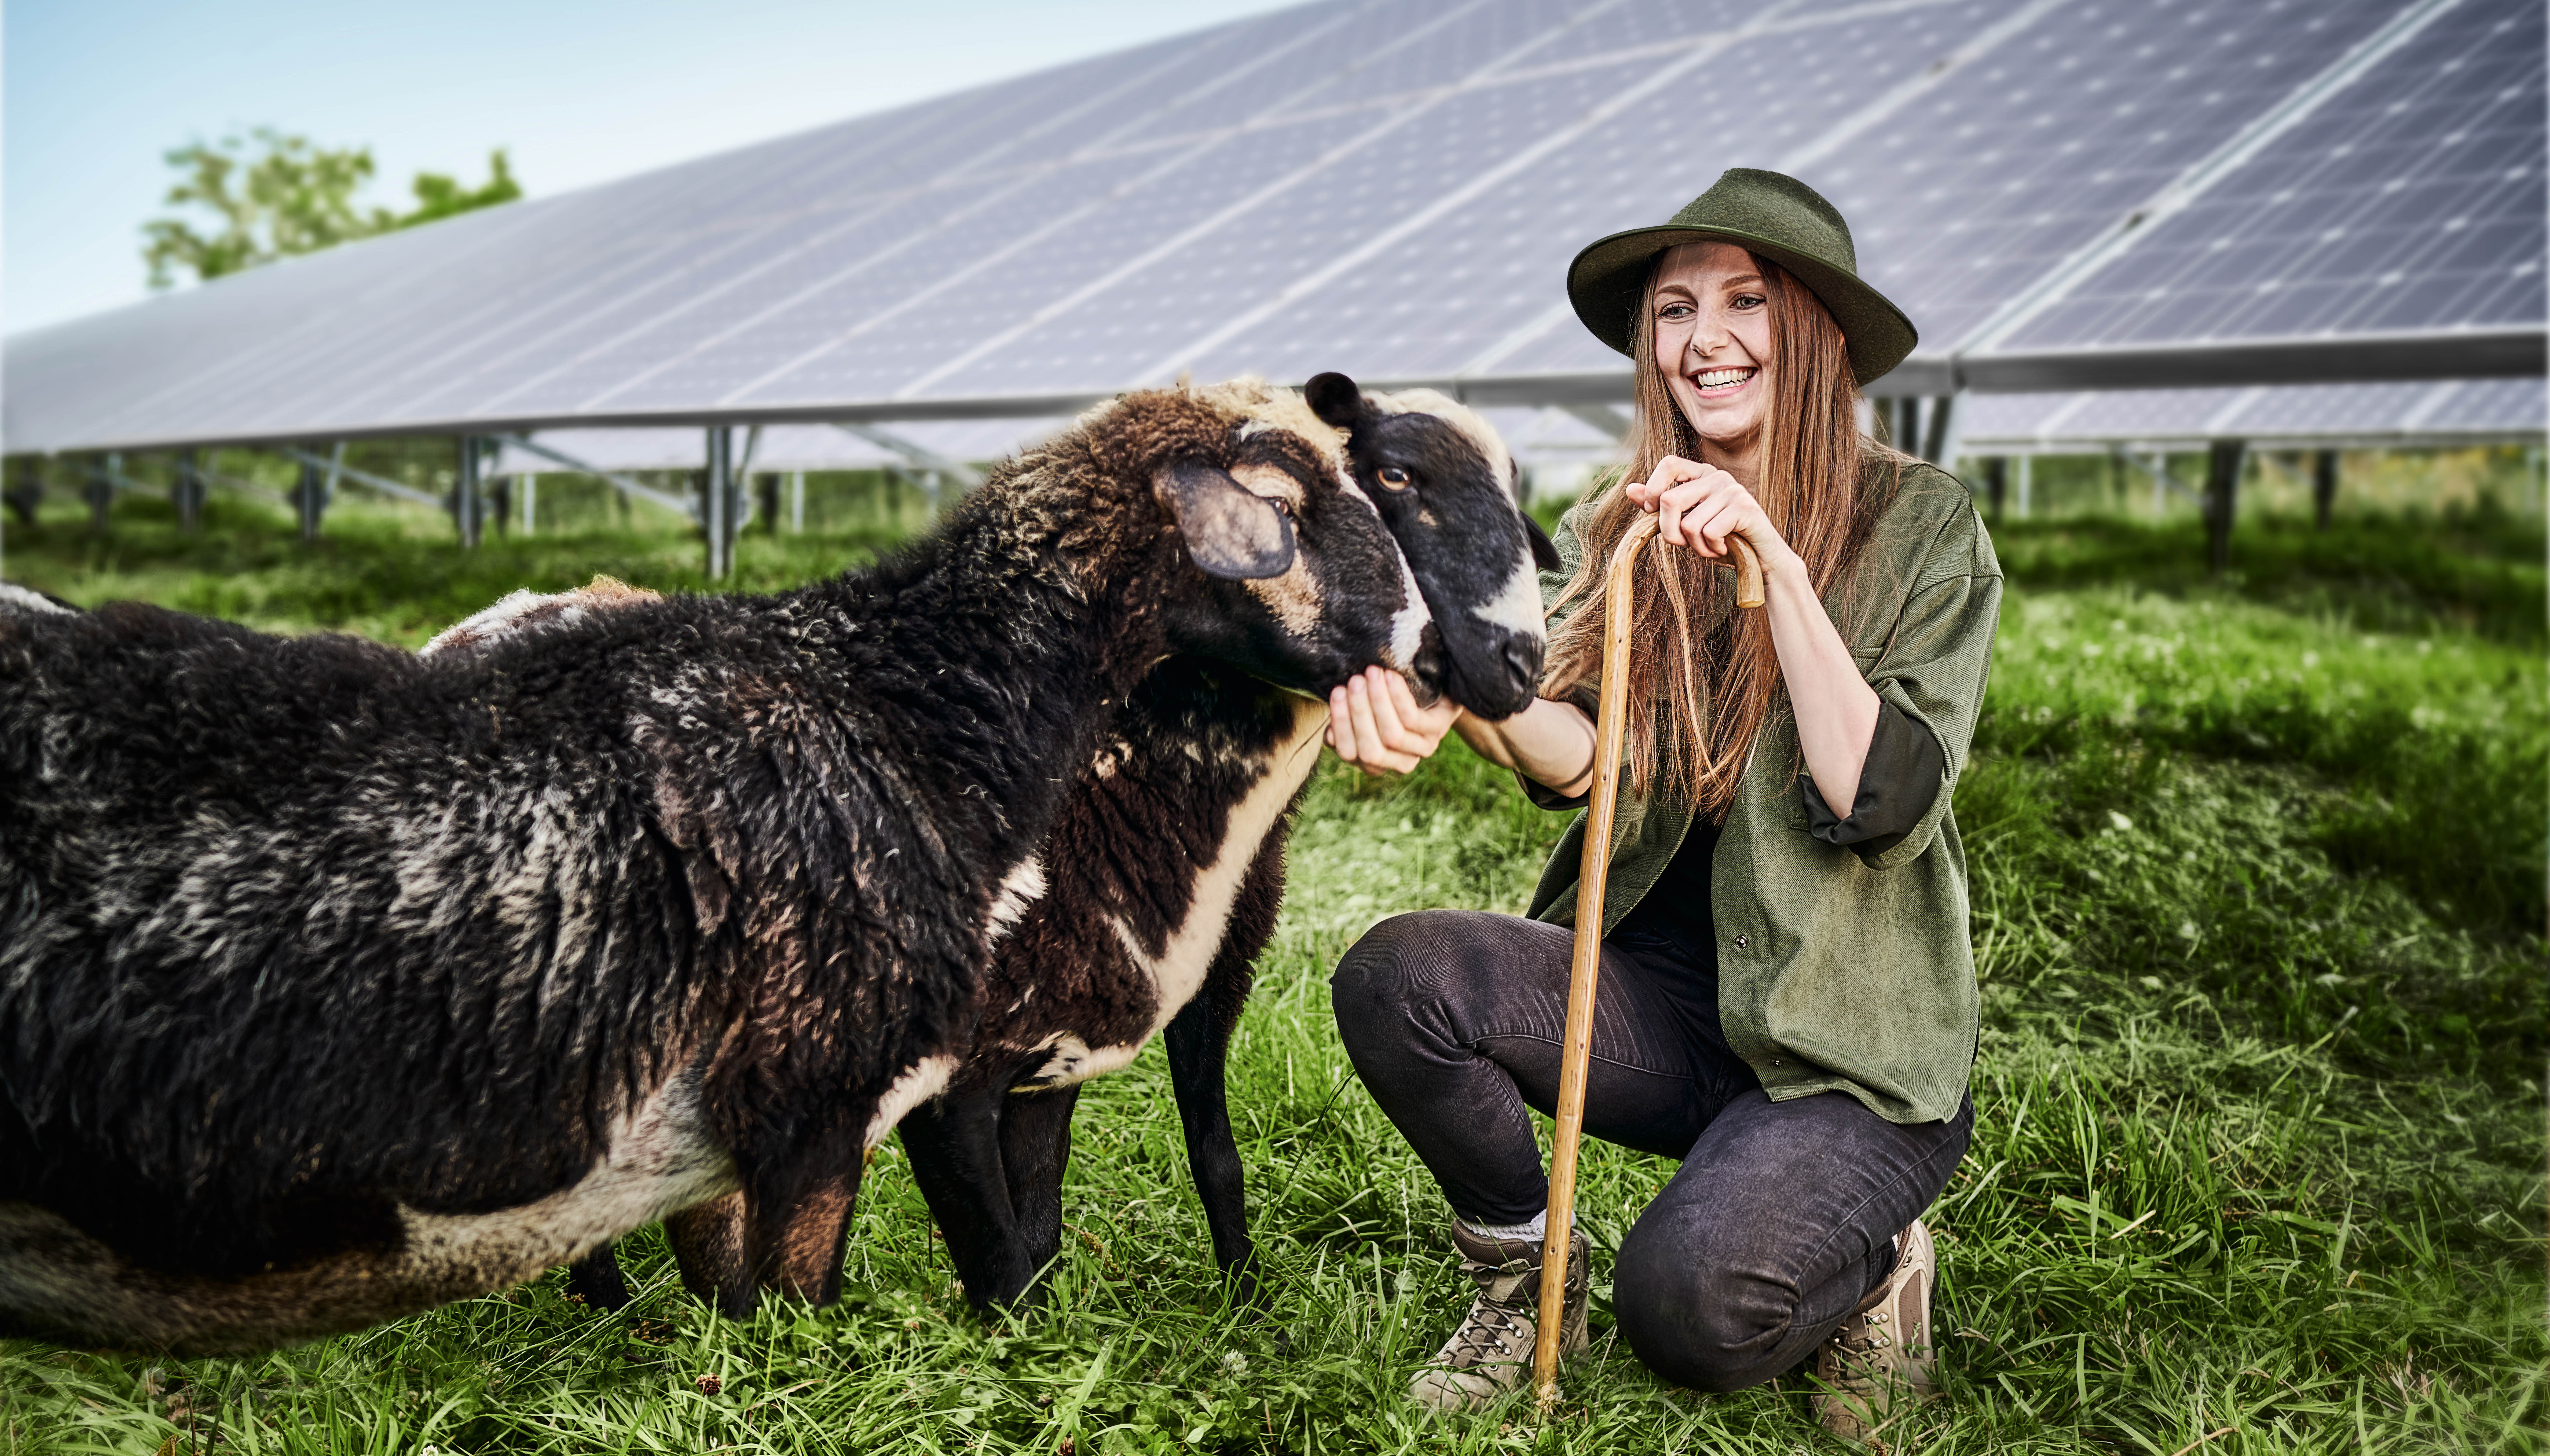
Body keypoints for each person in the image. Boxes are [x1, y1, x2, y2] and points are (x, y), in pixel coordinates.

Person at [1321, 168, 2000, 1440]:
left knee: (1693, 1313)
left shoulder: (1924, 527)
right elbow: (1580, 750)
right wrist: (1457, 681)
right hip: (1669, 1014)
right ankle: (1529, 1274)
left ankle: (1879, 1256)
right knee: (1400, 975)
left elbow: (1882, 795)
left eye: (1747, 302)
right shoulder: (1615, 524)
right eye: (1677, 310)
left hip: (1846, 1057)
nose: (1706, 340)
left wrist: (1776, 567)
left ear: (1817, 337)